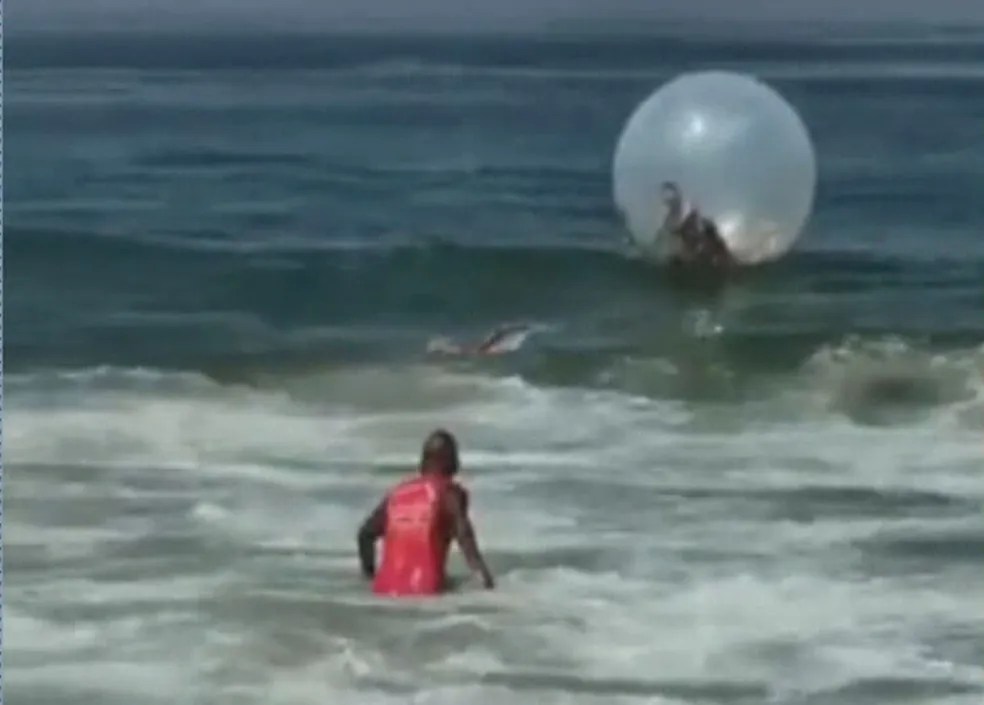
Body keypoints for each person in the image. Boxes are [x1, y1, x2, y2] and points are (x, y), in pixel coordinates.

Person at [357, 429, 495, 596]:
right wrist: (485, 579)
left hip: (384, 590)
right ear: (450, 462)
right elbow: (464, 536)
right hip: (427, 592)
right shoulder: (450, 494)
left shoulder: (397, 495)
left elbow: (365, 535)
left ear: (423, 461)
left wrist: (370, 575)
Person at [659, 181, 735, 268]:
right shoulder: (673, 221)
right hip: (691, 245)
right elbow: (671, 233)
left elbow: (693, 218)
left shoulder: (688, 208)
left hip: (702, 238)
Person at [426, 323, 533, 357]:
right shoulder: (491, 347)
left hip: (494, 347)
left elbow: (494, 341)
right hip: (492, 348)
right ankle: (440, 349)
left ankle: (440, 348)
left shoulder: (505, 338)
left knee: (473, 350)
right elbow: (492, 344)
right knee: (474, 350)